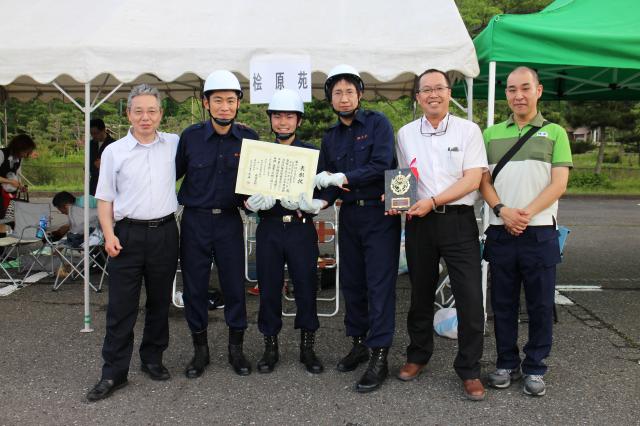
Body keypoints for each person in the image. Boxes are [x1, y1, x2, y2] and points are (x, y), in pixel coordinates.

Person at [393, 69, 488, 401]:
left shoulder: (468, 130)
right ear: (418, 97)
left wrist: (433, 201)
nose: (433, 94)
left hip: (458, 221)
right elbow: (403, 179)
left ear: (449, 93)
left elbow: (473, 179)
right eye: (426, 90)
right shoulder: (405, 134)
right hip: (419, 223)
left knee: (470, 297)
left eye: (439, 88)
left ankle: (470, 369)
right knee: (420, 292)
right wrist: (396, 200)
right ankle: (418, 355)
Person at [480, 66, 572, 397]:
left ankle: (535, 366)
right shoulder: (490, 135)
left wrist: (526, 214)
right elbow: (482, 181)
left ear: (538, 90)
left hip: (540, 233)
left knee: (540, 305)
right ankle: (506, 362)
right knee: (502, 304)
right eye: (511, 89)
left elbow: (559, 184)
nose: (518, 95)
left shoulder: (555, 132)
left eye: (525, 88)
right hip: (501, 230)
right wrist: (503, 211)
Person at [86, 84, 179, 402]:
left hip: (165, 232)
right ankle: (113, 372)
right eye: (138, 111)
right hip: (126, 235)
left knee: (159, 302)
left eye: (151, 111)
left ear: (161, 114)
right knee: (121, 306)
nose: (145, 117)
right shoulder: (114, 151)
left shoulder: (173, 144)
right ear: (128, 114)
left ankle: (152, 358)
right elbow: (104, 199)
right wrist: (108, 234)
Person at [315, 64, 401, 393]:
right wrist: (317, 202)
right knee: (352, 283)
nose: (344, 98)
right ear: (330, 99)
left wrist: (345, 177)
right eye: (337, 93)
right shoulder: (330, 137)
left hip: (380, 215)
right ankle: (359, 343)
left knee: (379, 285)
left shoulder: (378, 123)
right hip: (349, 214)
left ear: (360, 94)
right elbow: (328, 181)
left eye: (349, 91)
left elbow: (382, 164)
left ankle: (380, 355)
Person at [176, 70, 258, 378]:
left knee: (235, 286)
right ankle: (200, 351)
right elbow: (170, 175)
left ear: (238, 103)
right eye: (218, 100)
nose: (225, 107)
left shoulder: (249, 138)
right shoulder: (190, 137)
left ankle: (236, 350)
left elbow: (257, 182)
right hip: (194, 221)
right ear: (206, 103)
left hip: (229, 221)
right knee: (195, 287)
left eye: (231, 100)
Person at [246, 89, 323, 374]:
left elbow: (327, 188)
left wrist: (317, 203)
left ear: (298, 120)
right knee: (268, 288)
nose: (283, 122)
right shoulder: (260, 153)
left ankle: (308, 347)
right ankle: (270, 347)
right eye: (277, 116)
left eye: (289, 116)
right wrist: (249, 203)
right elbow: (243, 191)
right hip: (269, 228)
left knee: (306, 286)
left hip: (301, 228)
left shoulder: (312, 153)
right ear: (270, 119)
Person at [0, 134, 35, 218]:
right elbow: (11, 181)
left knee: (10, 219)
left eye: (28, 153)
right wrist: (10, 182)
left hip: (9, 196)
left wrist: (20, 186)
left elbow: (16, 176)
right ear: (18, 148)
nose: (26, 155)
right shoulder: (1, 154)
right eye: (26, 152)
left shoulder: (19, 159)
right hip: (1, 195)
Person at [89, 119, 116, 196]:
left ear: (104, 130)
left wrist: (104, 164)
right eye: (91, 133)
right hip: (93, 185)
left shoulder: (114, 144)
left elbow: (119, 166)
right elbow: (89, 163)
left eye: (96, 133)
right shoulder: (90, 144)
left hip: (109, 185)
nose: (93, 136)